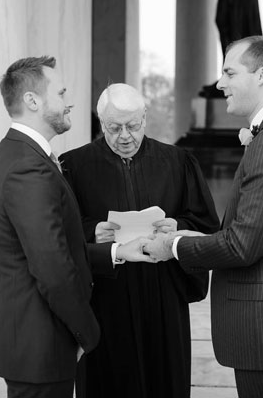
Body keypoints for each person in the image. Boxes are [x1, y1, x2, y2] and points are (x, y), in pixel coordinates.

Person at [144, 36, 263, 398]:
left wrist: (173, 246)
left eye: (229, 72)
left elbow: (243, 245)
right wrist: (188, 233)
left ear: (262, 75)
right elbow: (257, 231)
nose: (219, 83)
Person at [0, 56, 154, 398]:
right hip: (40, 345)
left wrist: (118, 252)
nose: (69, 101)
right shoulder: (28, 169)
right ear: (33, 101)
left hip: (34, 343)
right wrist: (86, 333)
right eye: (60, 93)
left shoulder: (23, 155)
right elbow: (51, 269)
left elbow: (56, 249)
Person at [60, 83, 220, 398]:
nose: (124, 136)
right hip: (106, 298)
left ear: (144, 118)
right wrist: (94, 230)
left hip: (162, 295)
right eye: (113, 127)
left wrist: (177, 225)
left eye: (132, 126)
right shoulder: (73, 166)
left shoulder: (177, 161)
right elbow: (59, 232)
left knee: (164, 381)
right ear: (100, 121)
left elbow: (206, 225)